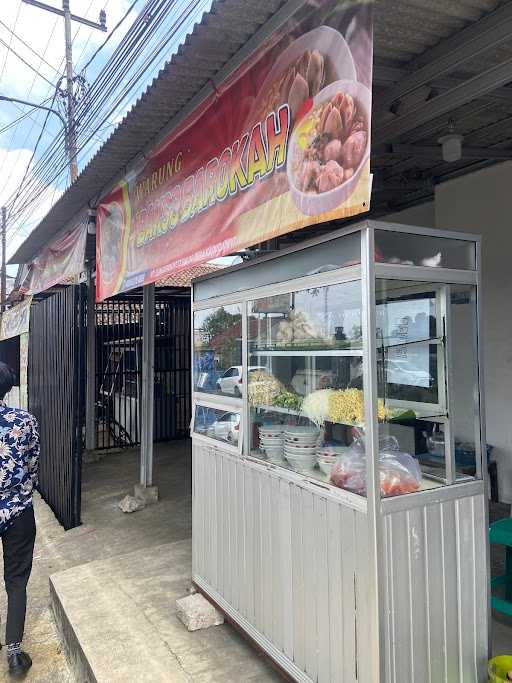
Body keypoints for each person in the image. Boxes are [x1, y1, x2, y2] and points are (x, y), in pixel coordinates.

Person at [0, 363, 39, 677]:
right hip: (18, 512)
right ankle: (13, 653)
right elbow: (32, 462)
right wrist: (21, 492)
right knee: (16, 580)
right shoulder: (24, 421)